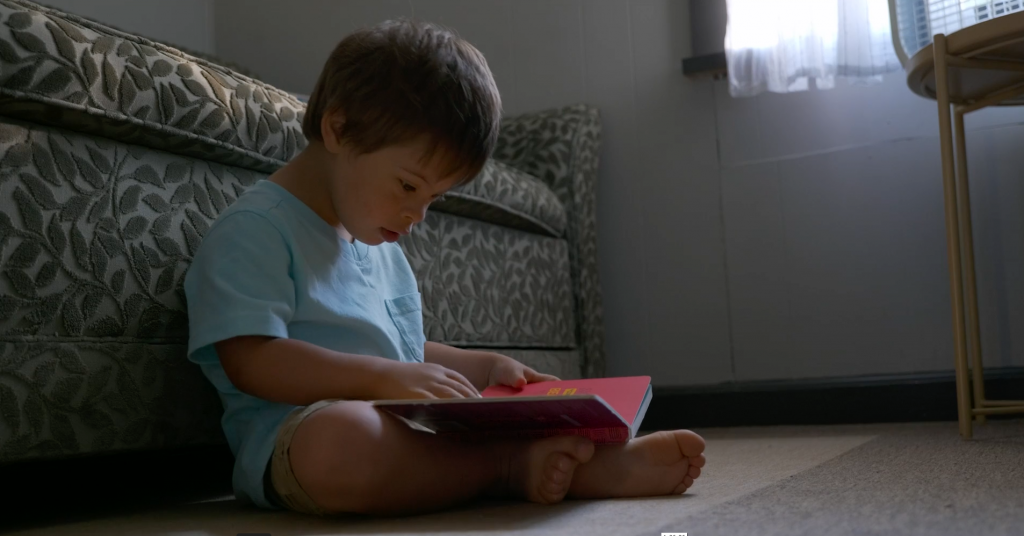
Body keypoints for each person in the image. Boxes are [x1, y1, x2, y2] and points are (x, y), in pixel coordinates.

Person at [184, 18, 705, 517]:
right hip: (301, 436)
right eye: (409, 186)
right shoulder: (257, 229)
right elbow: (251, 359)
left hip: (411, 427)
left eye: (434, 198)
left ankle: (579, 462)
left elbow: (402, 350)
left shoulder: (378, 241)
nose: (417, 215)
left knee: (465, 413)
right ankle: (507, 467)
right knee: (341, 443)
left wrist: (481, 367)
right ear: (338, 128)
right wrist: (387, 378)